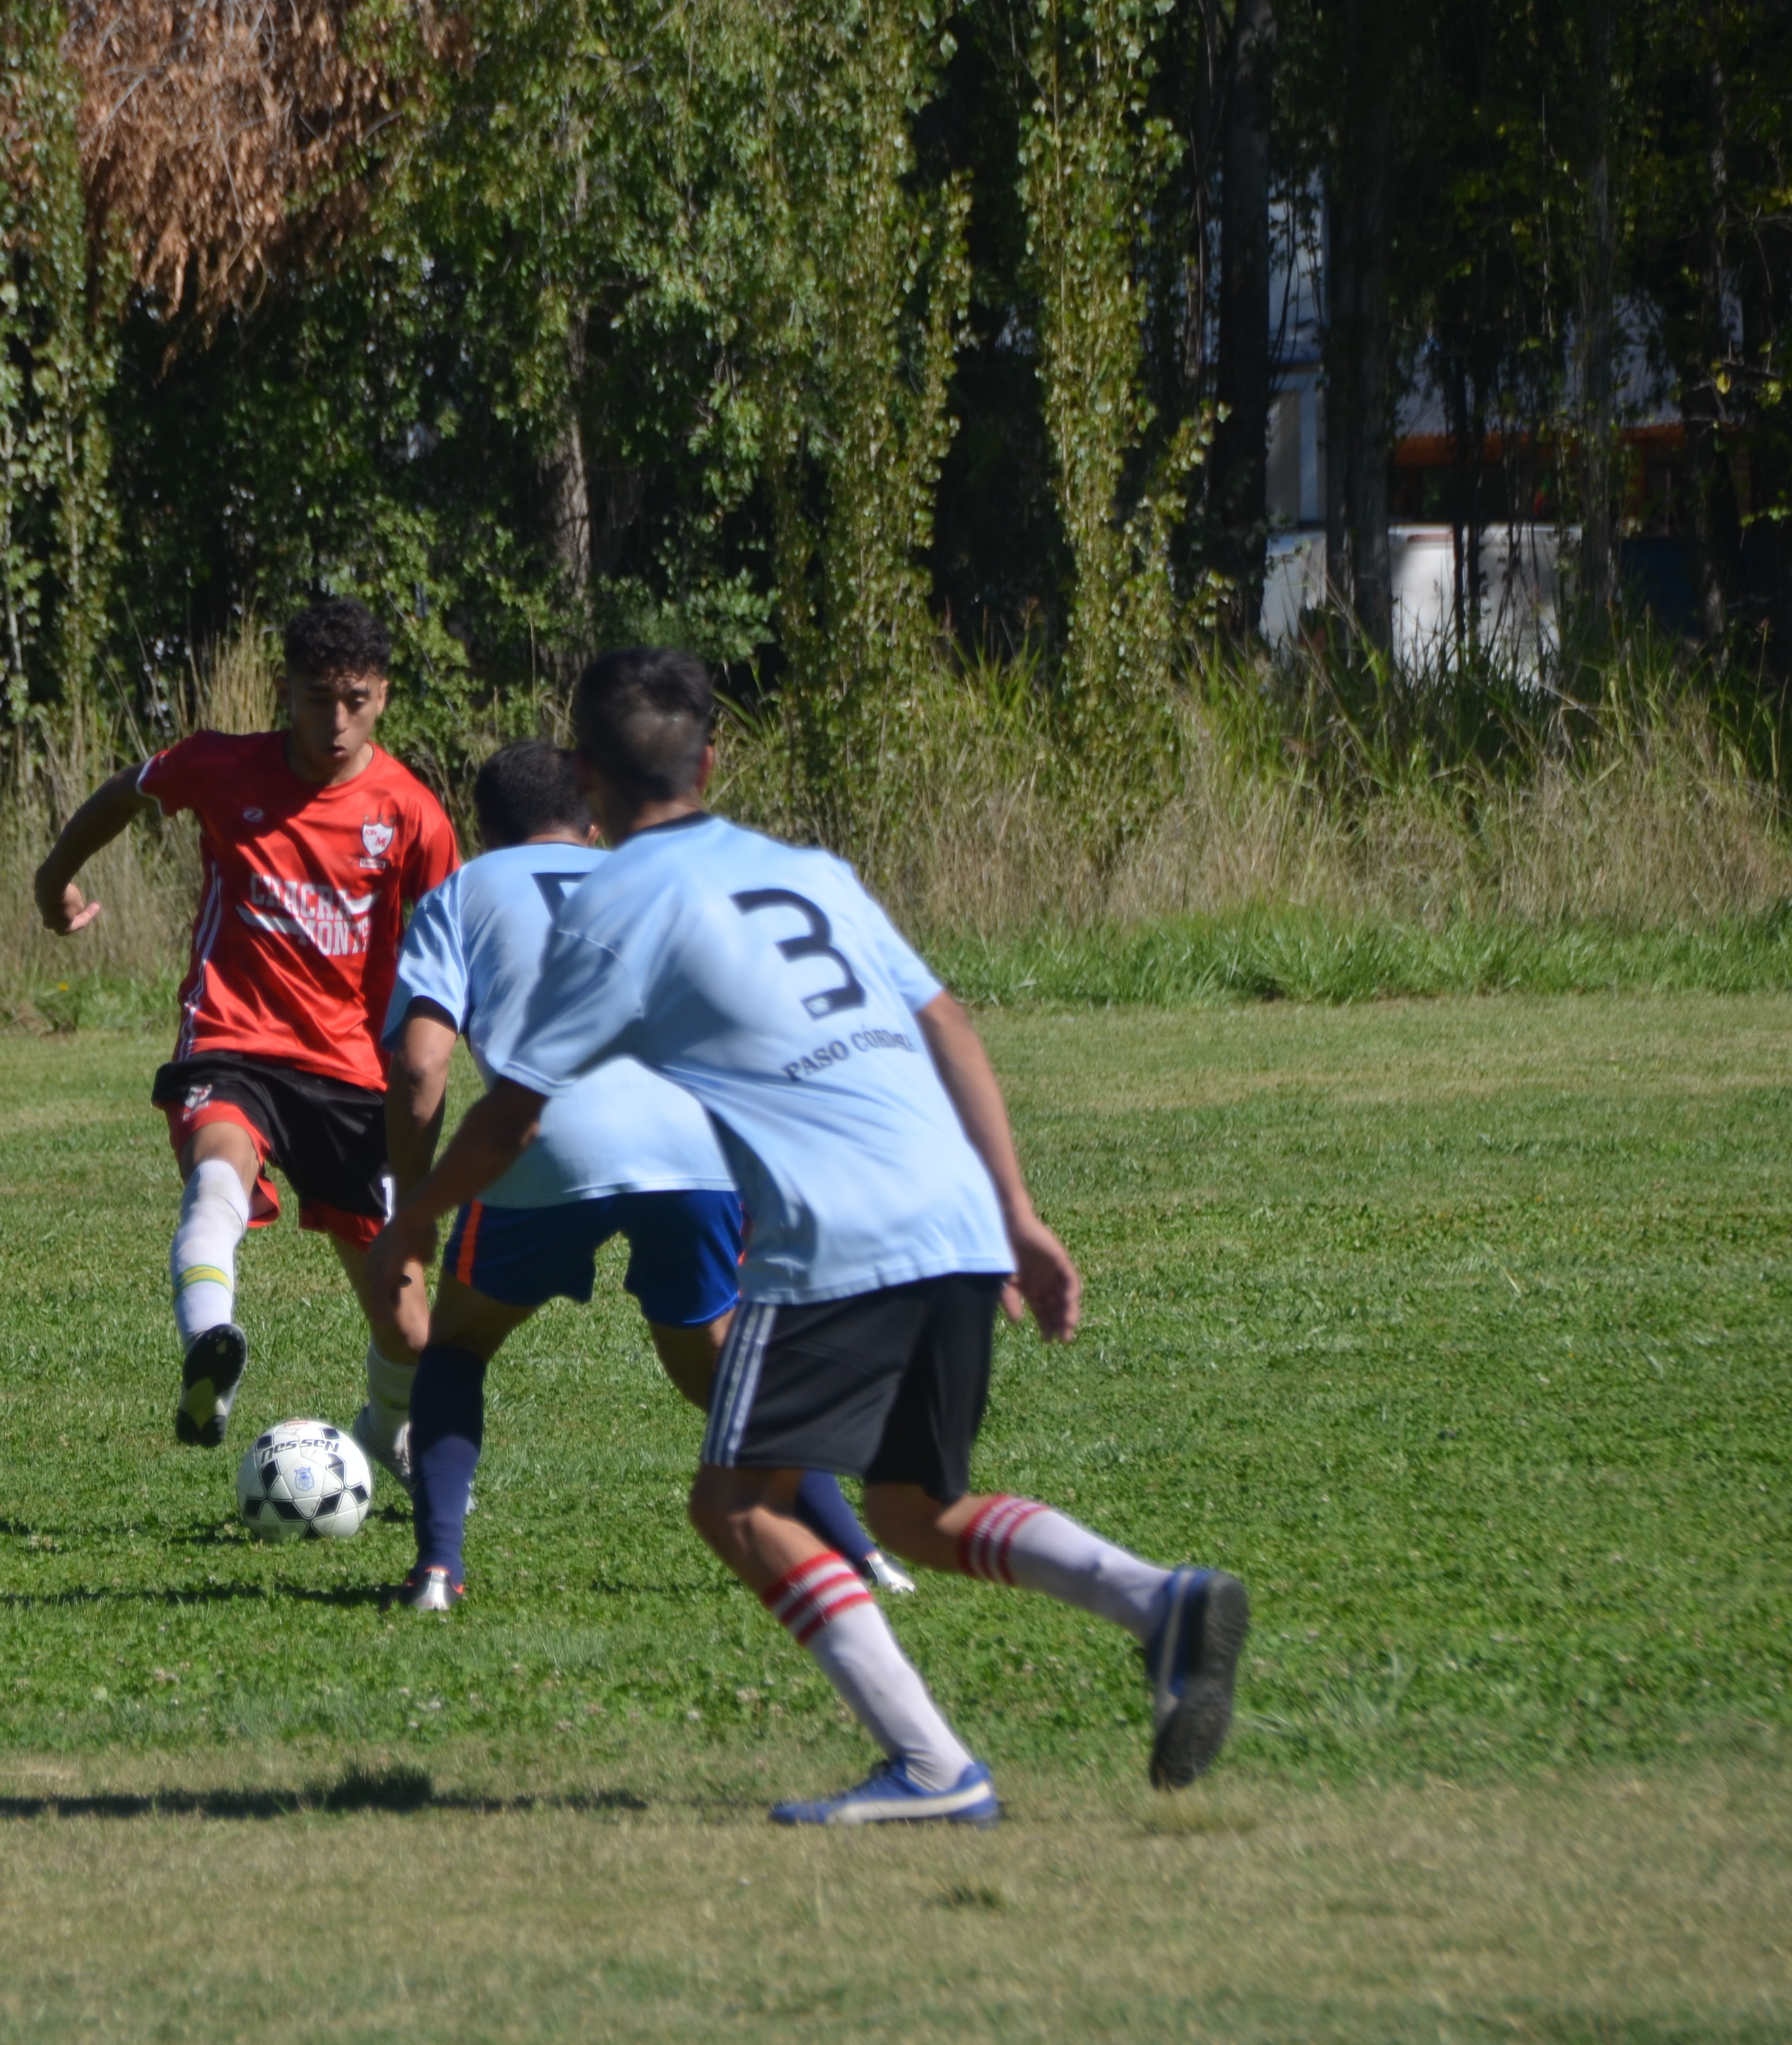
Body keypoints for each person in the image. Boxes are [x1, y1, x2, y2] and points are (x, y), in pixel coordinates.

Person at [364, 649, 1249, 1821]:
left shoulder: (617, 904)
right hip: (949, 1207)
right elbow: (948, 1021)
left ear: (586, 777)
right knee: (914, 1513)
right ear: (712, 761)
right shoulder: (808, 870)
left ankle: (935, 1768)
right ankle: (1156, 1600)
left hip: (832, 1231)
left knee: (739, 1506)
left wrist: (410, 1225)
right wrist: (1018, 1212)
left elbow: (512, 1115)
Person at [374, 740, 911, 1611]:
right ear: (589, 825)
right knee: (716, 1370)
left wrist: (410, 1213)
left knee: (458, 1346)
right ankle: (860, 1554)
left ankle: (437, 1568)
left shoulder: (462, 892)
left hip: (546, 1136)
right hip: (694, 1140)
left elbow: (418, 1067)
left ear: (484, 830)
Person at [33, 598, 458, 1455]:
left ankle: (385, 1433)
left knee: (409, 1328)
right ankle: (207, 1347)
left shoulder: (412, 815)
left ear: (383, 695)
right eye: (314, 698)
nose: (334, 722)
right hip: (233, 1039)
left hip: (349, 1071)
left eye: (355, 699)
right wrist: (54, 883)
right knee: (217, 1174)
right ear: (283, 692)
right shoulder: (220, 766)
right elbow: (126, 793)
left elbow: (450, 959)